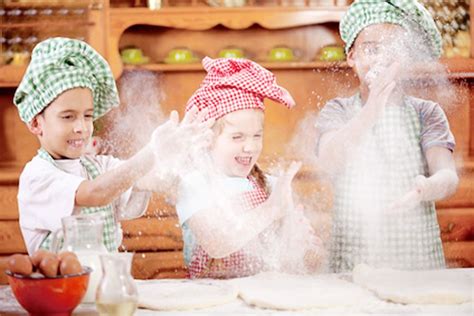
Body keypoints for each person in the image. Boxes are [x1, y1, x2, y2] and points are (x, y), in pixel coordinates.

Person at [14, 37, 210, 255]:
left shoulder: (98, 166)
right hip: (59, 288)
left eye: (87, 116)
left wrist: (179, 155)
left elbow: (147, 178)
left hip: (102, 285)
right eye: (68, 117)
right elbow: (95, 193)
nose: (81, 127)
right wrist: (154, 150)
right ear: (35, 123)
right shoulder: (37, 176)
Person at [315, 0, 459, 272]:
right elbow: (329, 160)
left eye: (393, 49)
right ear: (352, 57)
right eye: (371, 49)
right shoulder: (338, 110)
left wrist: (425, 188)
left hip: (416, 261)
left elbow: (448, 177)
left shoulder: (427, 113)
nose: (381, 58)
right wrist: (372, 109)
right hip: (353, 259)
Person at [176, 57, 324, 279]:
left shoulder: (271, 185)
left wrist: (303, 245)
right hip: (211, 303)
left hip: (263, 298)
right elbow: (217, 243)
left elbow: (307, 262)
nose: (250, 146)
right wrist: (272, 209)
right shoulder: (195, 184)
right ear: (207, 139)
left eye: (257, 136)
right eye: (237, 137)